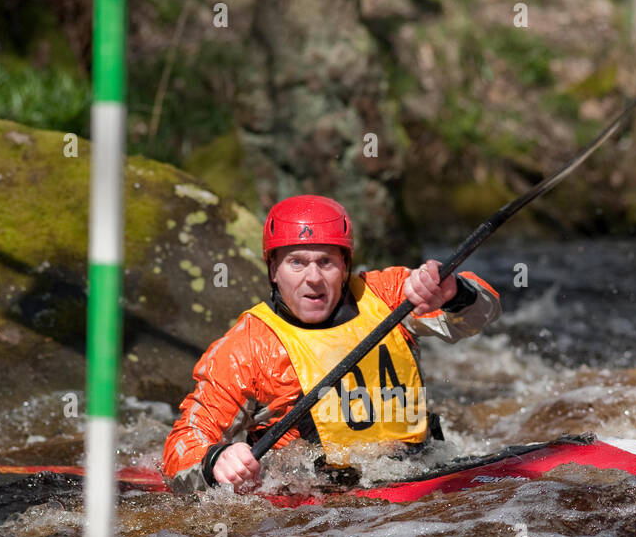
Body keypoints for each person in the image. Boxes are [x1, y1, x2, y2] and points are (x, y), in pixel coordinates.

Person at [162, 195, 501, 492]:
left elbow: (480, 316)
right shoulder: (245, 349)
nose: (313, 278)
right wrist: (216, 459)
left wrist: (454, 291)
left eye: (325, 262)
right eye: (297, 262)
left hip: (423, 469)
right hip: (320, 504)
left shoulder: (389, 295)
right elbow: (182, 445)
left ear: (345, 265)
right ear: (273, 270)